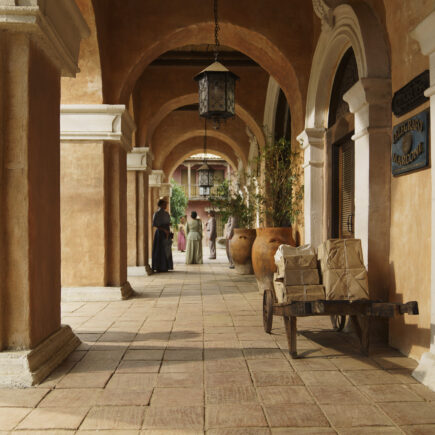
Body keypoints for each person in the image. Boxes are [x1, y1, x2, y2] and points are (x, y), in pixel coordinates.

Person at [152, 199, 173, 272]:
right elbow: (155, 224)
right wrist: (164, 230)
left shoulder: (166, 213)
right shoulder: (157, 213)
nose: (166, 205)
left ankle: (166, 266)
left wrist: (168, 226)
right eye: (164, 204)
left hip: (166, 232)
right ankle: (159, 267)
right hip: (160, 233)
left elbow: (168, 222)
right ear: (160, 205)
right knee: (160, 249)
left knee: (166, 249)